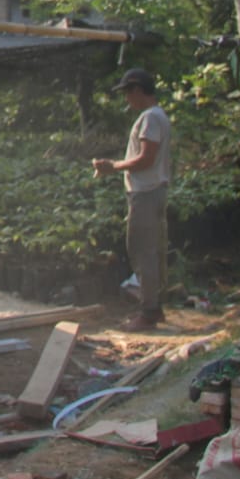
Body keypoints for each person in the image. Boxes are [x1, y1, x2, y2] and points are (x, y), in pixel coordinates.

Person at [92, 69, 171, 331]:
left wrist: (113, 166)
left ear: (137, 90)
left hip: (145, 193)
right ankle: (153, 306)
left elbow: (146, 159)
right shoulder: (158, 116)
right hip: (153, 190)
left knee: (141, 250)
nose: (127, 99)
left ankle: (148, 312)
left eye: (128, 93)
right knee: (150, 250)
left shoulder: (150, 118)